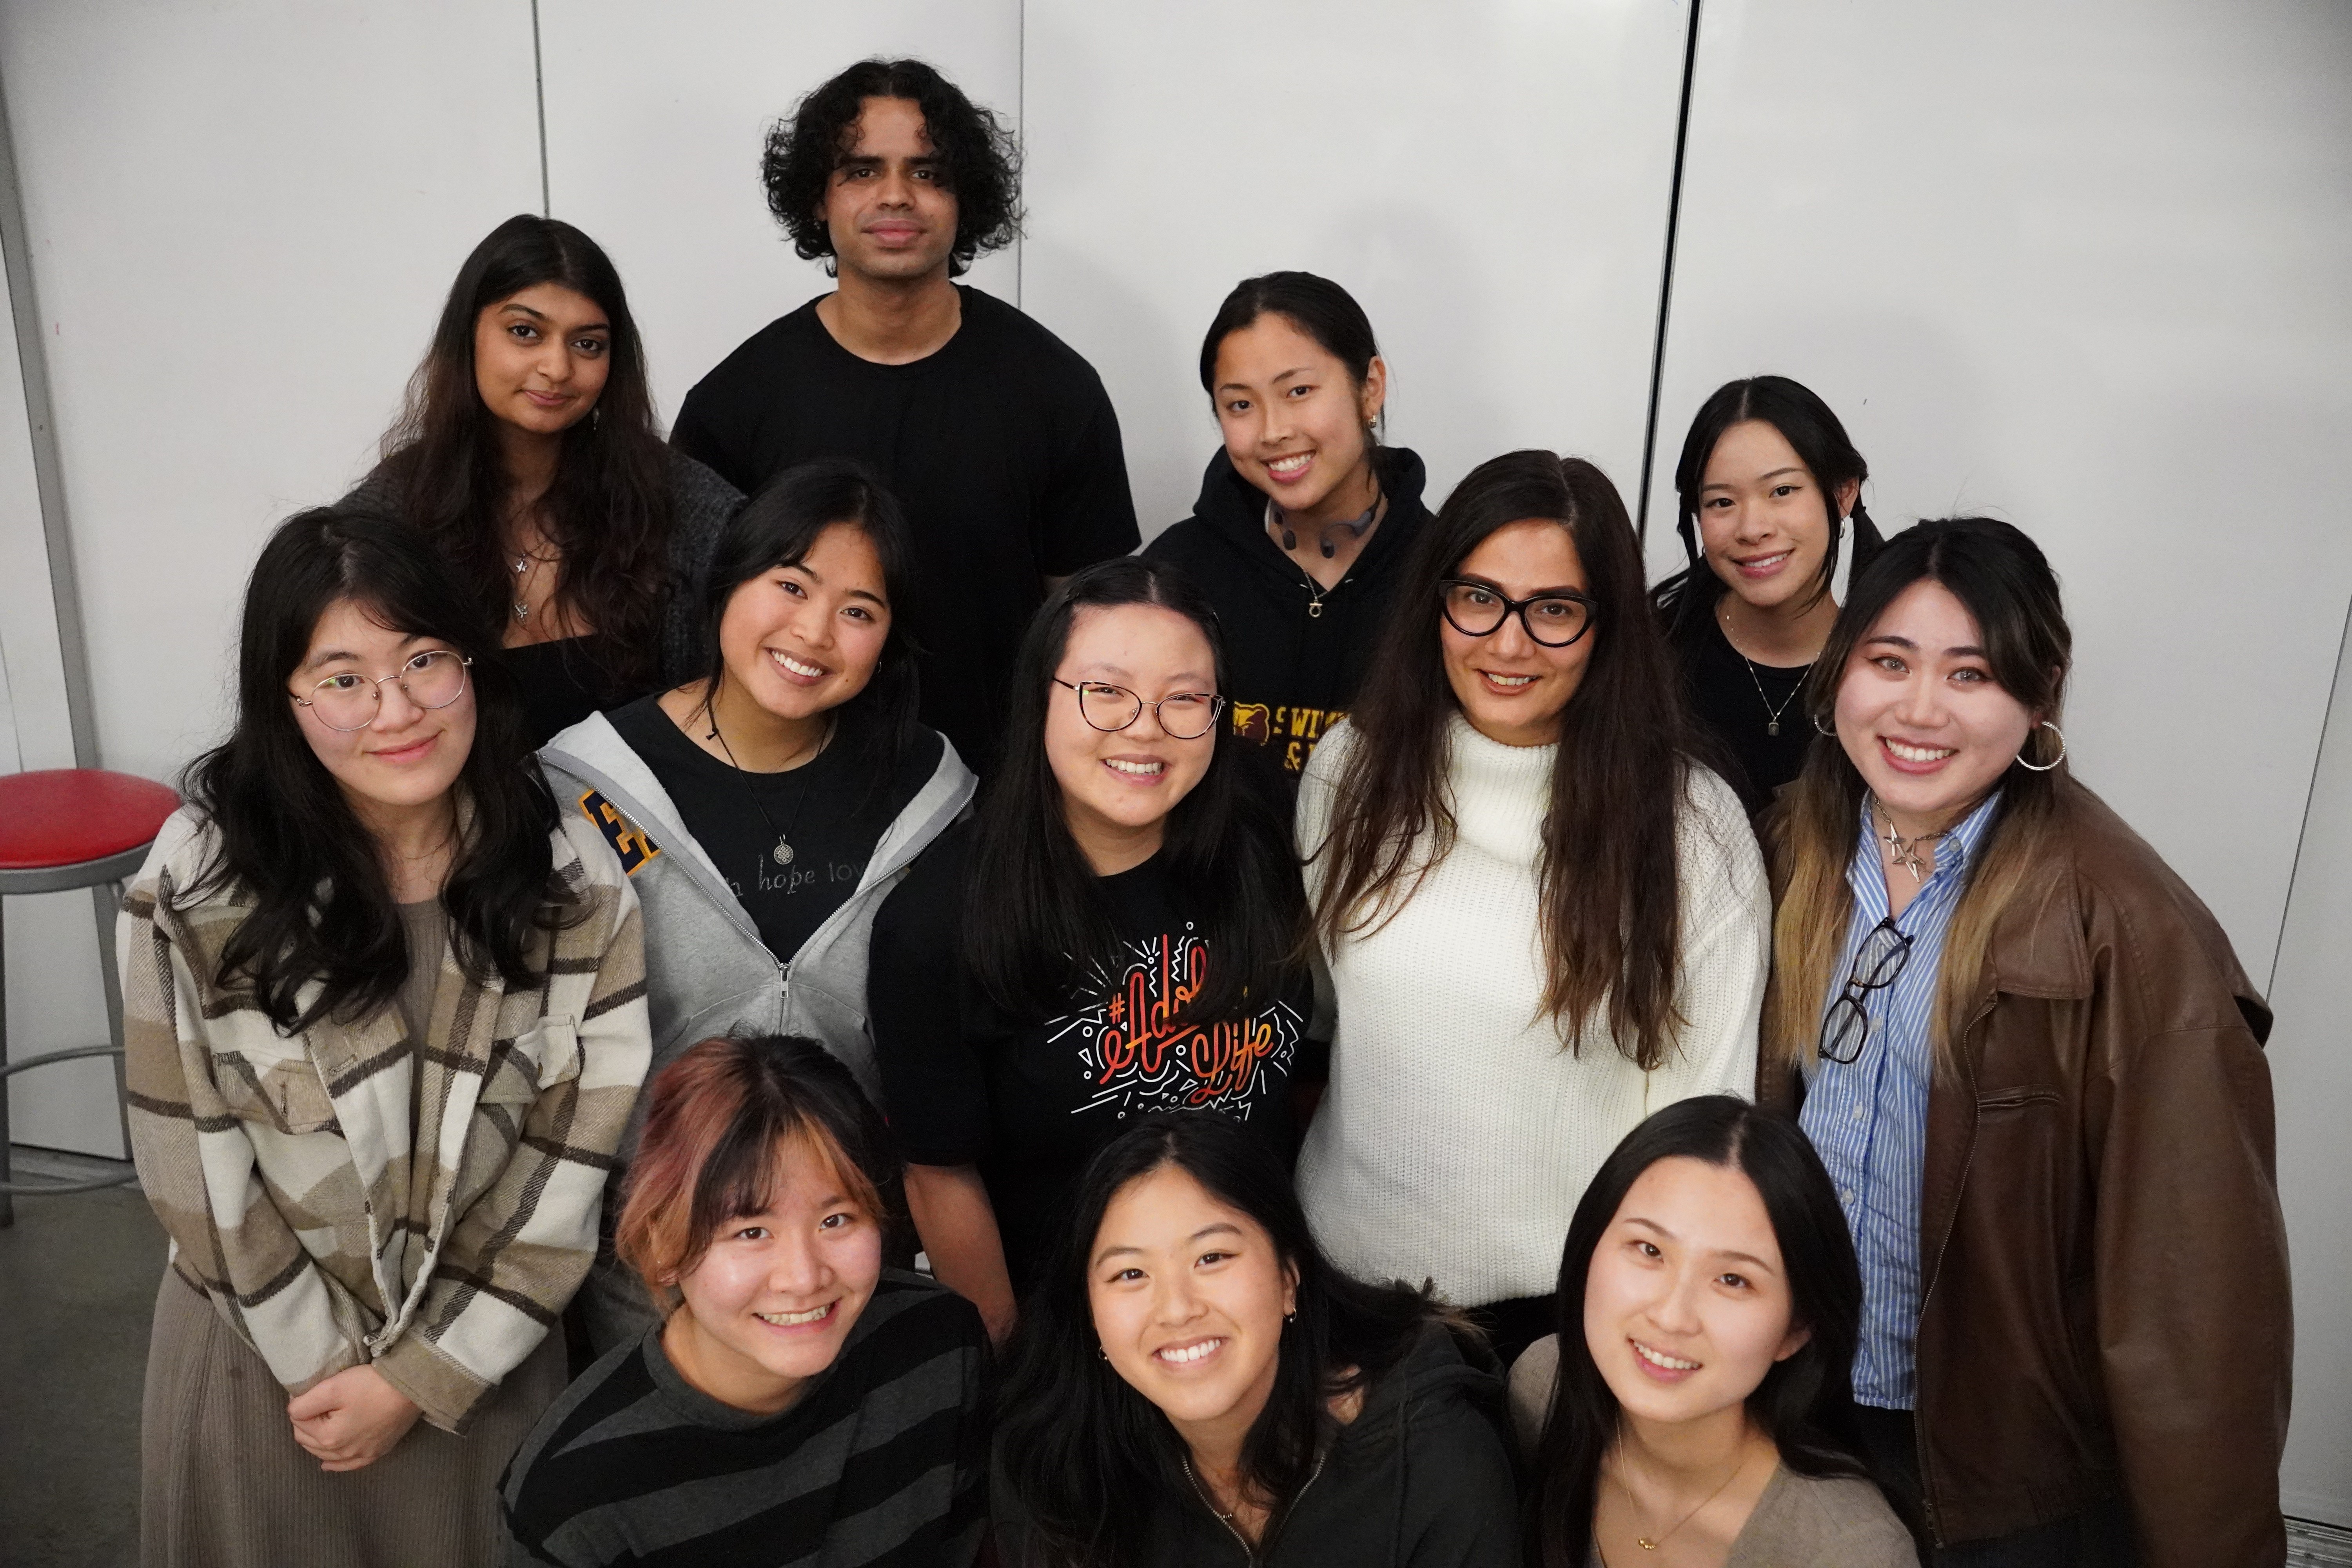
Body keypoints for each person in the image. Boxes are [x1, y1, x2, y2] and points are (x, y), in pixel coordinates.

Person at [120, 506, 652, 1566]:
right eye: (343, 679)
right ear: (284, 699)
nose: (397, 710)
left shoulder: (571, 873)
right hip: (268, 1375)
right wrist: (331, 1372)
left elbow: (574, 1153)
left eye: (424, 661)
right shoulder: (200, 876)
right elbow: (186, 1150)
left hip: (485, 1370)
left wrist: (422, 1377)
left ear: (473, 664)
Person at [1760, 516, 2290, 1565]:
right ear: (1840, 670)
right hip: (1785, 1403)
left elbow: (2196, 1310)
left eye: (1971, 674)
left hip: (1994, 1475)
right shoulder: (1790, 847)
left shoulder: (2131, 929)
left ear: (2040, 694)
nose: (1920, 709)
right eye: (1889, 661)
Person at [1296, 451, 1768, 1367]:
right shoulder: (1350, 770)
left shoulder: (1690, 826)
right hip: (1341, 1287)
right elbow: (1323, 1014)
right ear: (1435, 601)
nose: (1507, 645)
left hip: (1561, 1316)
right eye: (1478, 597)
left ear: (1607, 627)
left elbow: (1705, 1126)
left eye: (1553, 609)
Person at [539, 457, 976, 1352]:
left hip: (849, 1261)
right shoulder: (584, 784)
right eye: (791, 585)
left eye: (859, 610)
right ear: (728, 581)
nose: (814, 632)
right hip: (649, 1265)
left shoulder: (933, 793)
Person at [869, 558, 1311, 1343]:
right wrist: (1008, 1364)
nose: (1144, 727)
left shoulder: (1261, 837)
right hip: (1071, 1335)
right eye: (1106, 690)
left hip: (1264, 1310)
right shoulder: (938, 923)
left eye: (1185, 698)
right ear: (1040, 694)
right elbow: (940, 1171)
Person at [671, 58, 1139, 772]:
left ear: (964, 199)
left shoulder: (1057, 390)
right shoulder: (734, 403)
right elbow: (696, 633)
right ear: (818, 198)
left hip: (999, 792)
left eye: (927, 173)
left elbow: (1098, 633)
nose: (896, 195)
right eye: (862, 171)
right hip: (779, 793)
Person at [501, 1034, 990, 1568]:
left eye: (836, 1220)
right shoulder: (571, 1496)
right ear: (663, 1245)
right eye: (752, 1232)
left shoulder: (941, 1348)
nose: (804, 1277)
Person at [992, 1111, 1517, 1567]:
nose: (1176, 1308)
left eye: (1212, 1258)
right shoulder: (1050, 1462)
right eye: (1130, 1274)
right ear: (1090, 1315)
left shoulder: (1435, 1456)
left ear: (1289, 1277)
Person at [359, 213, 744, 745]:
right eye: (525, 333)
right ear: (468, 337)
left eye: (588, 344)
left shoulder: (690, 507)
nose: (558, 367)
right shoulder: (384, 519)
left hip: (647, 800)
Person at [1512, 1096, 1916, 1568]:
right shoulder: (1541, 1391)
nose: (1672, 1316)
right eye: (1649, 1249)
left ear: (1797, 1328)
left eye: (1733, 1279)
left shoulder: (1851, 1550)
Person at [1142, 271, 1433, 782]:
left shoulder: (1445, 573)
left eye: (1299, 391)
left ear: (1370, 388)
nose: (1273, 431)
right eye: (1241, 404)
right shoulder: (1175, 574)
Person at [1650, 377, 1884, 814]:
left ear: (1843, 493)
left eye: (1782, 491)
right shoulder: (1649, 652)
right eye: (1722, 502)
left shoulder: (1888, 676)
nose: (1753, 529)